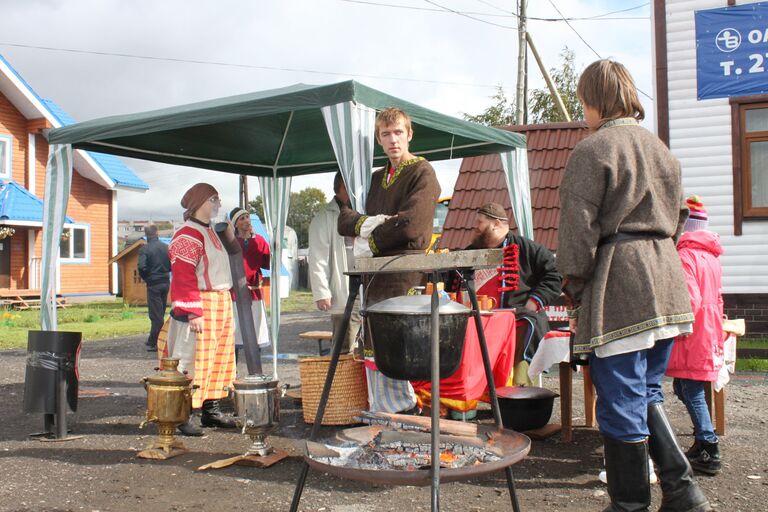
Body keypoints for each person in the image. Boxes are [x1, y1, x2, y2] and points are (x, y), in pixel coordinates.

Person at [557, 60, 712, 511]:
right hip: (666, 280)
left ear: (594, 100)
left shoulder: (594, 149)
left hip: (622, 283)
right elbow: (680, 216)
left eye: (584, 101)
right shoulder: (660, 149)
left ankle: (630, 506)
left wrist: (575, 281)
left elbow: (577, 229)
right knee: (643, 391)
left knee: (621, 399)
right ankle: (683, 492)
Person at [338, 107, 440, 414]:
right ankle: (384, 413)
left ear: (409, 134)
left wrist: (369, 237)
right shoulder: (374, 178)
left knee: (396, 343)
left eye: (398, 132)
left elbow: (412, 224)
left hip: (404, 272)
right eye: (386, 134)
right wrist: (379, 223)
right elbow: (344, 219)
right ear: (379, 140)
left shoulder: (423, 172)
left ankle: (403, 411)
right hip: (373, 274)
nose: (393, 140)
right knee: (373, 344)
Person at [157, 183, 236, 436]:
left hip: (220, 301)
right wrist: (193, 311)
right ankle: (181, 414)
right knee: (191, 358)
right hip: (201, 302)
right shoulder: (187, 234)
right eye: (213, 199)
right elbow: (183, 276)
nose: (217, 204)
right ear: (200, 202)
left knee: (219, 358)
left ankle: (210, 410)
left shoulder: (211, 231)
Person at [460, 202, 562, 384]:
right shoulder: (469, 253)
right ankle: (463, 399)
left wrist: (533, 303)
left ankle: (519, 393)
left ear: (496, 224)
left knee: (528, 324)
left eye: (480, 222)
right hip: (476, 319)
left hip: (515, 318)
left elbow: (555, 275)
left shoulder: (528, 249)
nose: (475, 226)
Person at [666, 196, 724, 476]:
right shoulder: (711, 255)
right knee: (686, 388)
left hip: (693, 333)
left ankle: (709, 448)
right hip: (708, 330)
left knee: (690, 390)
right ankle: (703, 440)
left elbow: (689, 299)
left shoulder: (684, 254)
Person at [308, 172, 360, 354]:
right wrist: (321, 291)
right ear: (343, 187)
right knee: (345, 347)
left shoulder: (360, 211)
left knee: (365, 348)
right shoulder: (324, 218)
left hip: (365, 288)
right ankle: (342, 382)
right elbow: (317, 257)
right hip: (343, 291)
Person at [228, 207, 271, 358]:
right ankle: (232, 371)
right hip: (235, 293)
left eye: (247, 217)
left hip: (254, 293)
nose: (247, 220)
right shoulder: (230, 242)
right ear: (235, 224)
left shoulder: (259, 240)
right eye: (242, 218)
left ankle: (255, 372)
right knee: (234, 331)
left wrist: (275, 251)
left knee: (255, 331)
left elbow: (268, 263)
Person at [137, 224, 171, 352]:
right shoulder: (166, 247)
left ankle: (158, 343)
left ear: (146, 234)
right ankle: (152, 339)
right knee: (160, 312)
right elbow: (172, 263)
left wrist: (147, 278)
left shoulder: (145, 249)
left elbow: (141, 267)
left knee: (155, 315)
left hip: (153, 283)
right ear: (157, 232)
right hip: (165, 282)